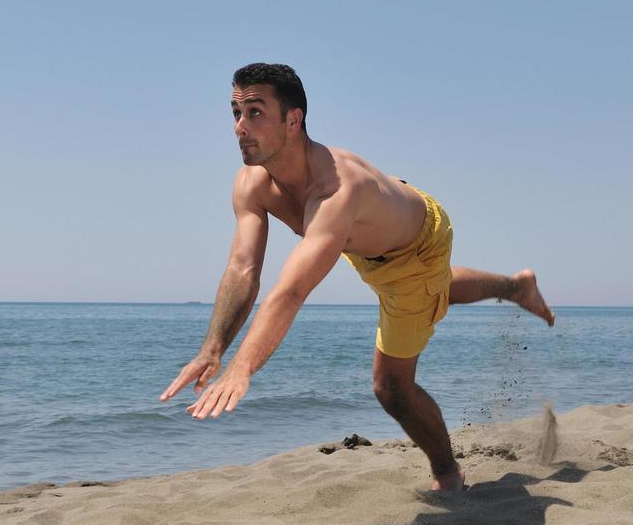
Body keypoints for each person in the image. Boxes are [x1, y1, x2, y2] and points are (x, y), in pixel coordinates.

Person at [159, 63, 554, 491]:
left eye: (255, 112)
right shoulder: (252, 182)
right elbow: (242, 268)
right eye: (235, 113)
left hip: (416, 246)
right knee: (425, 290)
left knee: (391, 388)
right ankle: (515, 287)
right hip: (373, 244)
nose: (240, 126)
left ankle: (448, 475)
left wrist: (243, 368)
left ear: (294, 120)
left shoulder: (334, 192)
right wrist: (213, 349)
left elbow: (290, 291)